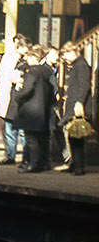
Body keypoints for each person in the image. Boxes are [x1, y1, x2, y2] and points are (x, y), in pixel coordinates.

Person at [10, 45, 55, 173]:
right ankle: (44, 162)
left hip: (31, 110)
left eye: (28, 57)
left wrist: (18, 94)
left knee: (31, 138)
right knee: (42, 138)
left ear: (33, 58)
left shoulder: (33, 72)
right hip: (43, 109)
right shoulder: (46, 72)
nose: (27, 60)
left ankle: (33, 164)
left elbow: (27, 90)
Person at [56, 44, 93, 172]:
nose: (64, 58)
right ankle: (75, 164)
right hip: (76, 104)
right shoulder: (78, 65)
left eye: (65, 54)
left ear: (72, 51)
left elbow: (84, 85)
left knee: (76, 137)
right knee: (73, 136)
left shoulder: (80, 65)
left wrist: (79, 102)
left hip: (78, 106)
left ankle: (78, 167)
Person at [0, 34, 29, 164]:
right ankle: (10, 155)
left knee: (22, 131)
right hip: (8, 96)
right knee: (9, 129)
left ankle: (26, 156)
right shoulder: (8, 58)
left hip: (21, 98)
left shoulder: (27, 60)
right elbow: (4, 75)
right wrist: (1, 89)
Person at [64, 101, 94, 176]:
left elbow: (78, 96)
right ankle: (76, 165)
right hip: (77, 113)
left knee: (76, 143)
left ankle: (78, 167)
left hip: (77, 115)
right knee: (76, 143)